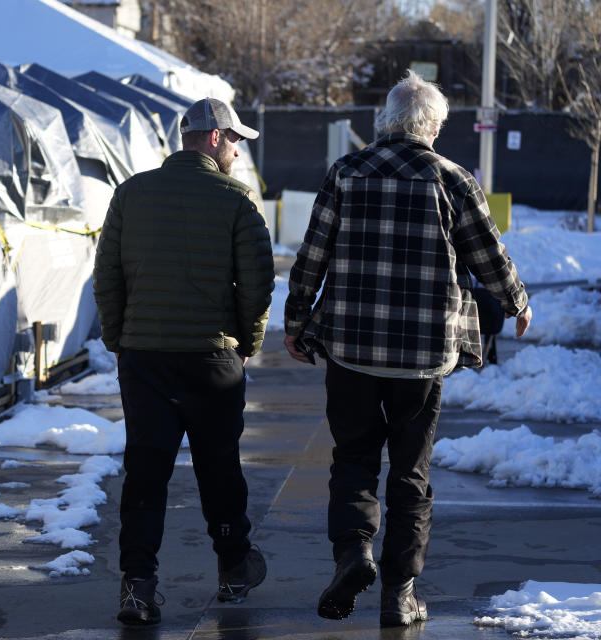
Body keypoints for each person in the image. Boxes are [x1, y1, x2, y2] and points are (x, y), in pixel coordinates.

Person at [283, 71, 532, 627]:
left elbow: (313, 254)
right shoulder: (452, 179)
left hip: (350, 346)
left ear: (386, 121)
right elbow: (488, 256)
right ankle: (400, 594)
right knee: (411, 473)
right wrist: (516, 300)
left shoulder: (346, 171)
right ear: (433, 125)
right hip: (423, 354)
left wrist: (296, 320)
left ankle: (353, 552)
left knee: (353, 456)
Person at [93, 97, 275, 626]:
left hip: (144, 361)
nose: (239, 152)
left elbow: (107, 277)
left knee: (145, 474)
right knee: (219, 468)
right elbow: (258, 285)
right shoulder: (236, 200)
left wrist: (120, 338)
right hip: (211, 359)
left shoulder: (130, 194)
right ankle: (234, 567)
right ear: (215, 138)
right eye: (236, 140)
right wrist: (247, 342)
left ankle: (138, 586)